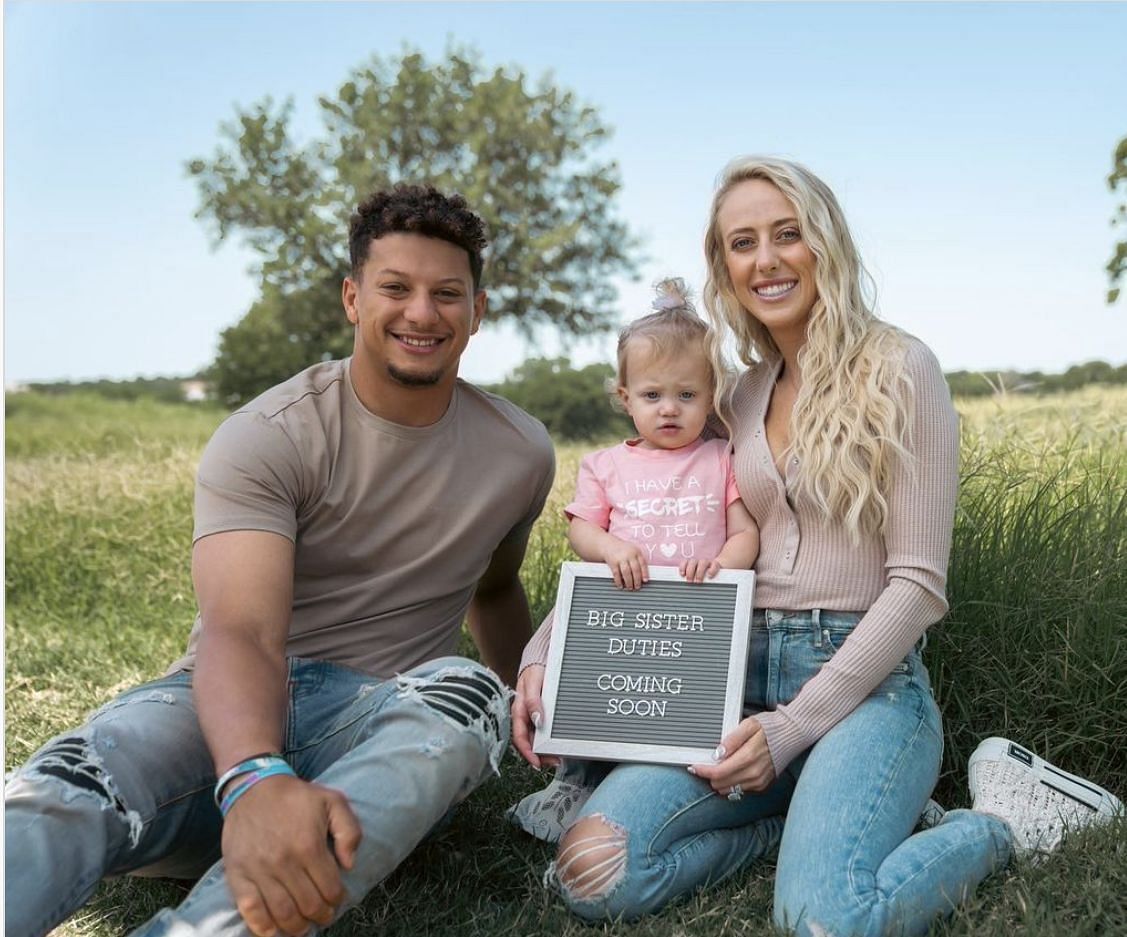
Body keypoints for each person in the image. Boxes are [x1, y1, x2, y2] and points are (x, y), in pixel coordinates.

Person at [509, 157, 1123, 936]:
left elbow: (918, 585)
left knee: (825, 917)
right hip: (727, 682)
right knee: (591, 869)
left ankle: (998, 819)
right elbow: (652, 535)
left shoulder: (903, 368)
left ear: (824, 241)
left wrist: (793, 727)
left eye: (786, 234)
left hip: (863, 691)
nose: (765, 259)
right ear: (723, 267)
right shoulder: (734, 395)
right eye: (742, 243)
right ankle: (789, 827)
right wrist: (540, 655)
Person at [5, 184, 556, 937]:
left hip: (379, 729)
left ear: (478, 310)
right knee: (65, 782)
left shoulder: (519, 451)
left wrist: (531, 703)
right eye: (395, 287)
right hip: (222, 714)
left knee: (466, 695)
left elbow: (494, 591)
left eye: (446, 294)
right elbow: (241, 630)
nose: (421, 313)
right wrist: (255, 776)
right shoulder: (270, 433)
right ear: (353, 297)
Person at [509, 279, 759, 837]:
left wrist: (723, 564)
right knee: (600, 688)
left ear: (712, 394)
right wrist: (613, 548)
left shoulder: (721, 457)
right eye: (652, 396)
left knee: (681, 698)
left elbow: (745, 532)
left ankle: (679, 778)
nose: (669, 409)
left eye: (687, 396)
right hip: (622, 610)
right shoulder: (606, 466)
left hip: (695, 616)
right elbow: (581, 530)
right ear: (625, 397)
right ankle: (573, 779)